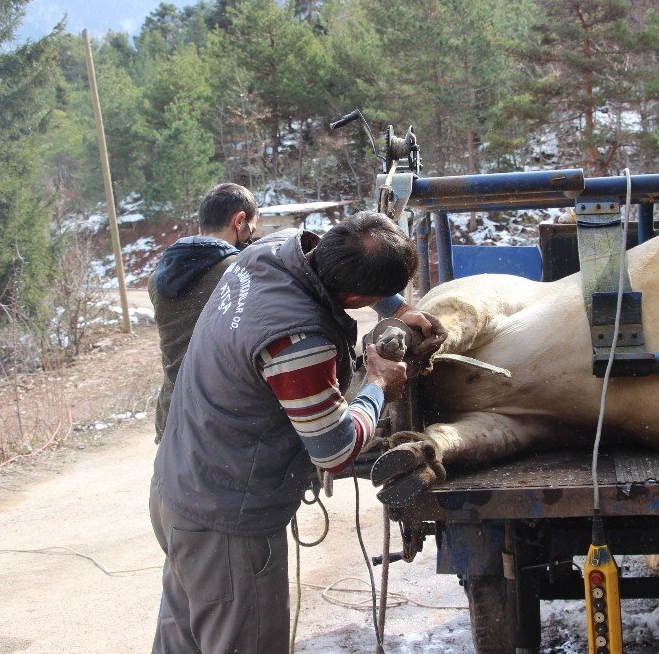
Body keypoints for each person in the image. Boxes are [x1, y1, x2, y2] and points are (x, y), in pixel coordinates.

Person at [149, 211, 445, 653]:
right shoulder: (298, 340)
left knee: (184, 641)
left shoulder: (272, 250)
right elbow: (334, 449)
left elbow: (339, 272)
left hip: (179, 490)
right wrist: (379, 385)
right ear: (355, 295)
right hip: (229, 525)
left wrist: (397, 308)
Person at [147, 183, 258, 444]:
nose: (251, 238)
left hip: (171, 415)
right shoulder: (242, 271)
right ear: (239, 221)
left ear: (200, 229)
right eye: (251, 230)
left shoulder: (157, 278)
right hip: (220, 418)